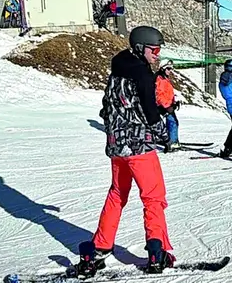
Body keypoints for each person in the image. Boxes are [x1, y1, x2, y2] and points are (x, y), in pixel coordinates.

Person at [74, 25, 175, 277]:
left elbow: (106, 108)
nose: (157, 55)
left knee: (117, 194)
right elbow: (150, 113)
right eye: (154, 50)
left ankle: (100, 246)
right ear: (141, 48)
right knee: (153, 197)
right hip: (140, 148)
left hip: (117, 147)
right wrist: (165, 135)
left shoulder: (117, 70)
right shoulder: (143, 74)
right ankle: (157, 250)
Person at [155, 58, 182, 152]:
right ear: (163, 68)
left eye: (171, 69)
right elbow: (159, 95)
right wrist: (167, 106)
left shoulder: (164, 79)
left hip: (167, 105)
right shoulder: (160, 80)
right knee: (173, 122)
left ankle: (169, 139)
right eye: (168, 69)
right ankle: (172, 142)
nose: (170, 71)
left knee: (171, 122)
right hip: (164, 106)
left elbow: (167, 93)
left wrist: (174, 102)